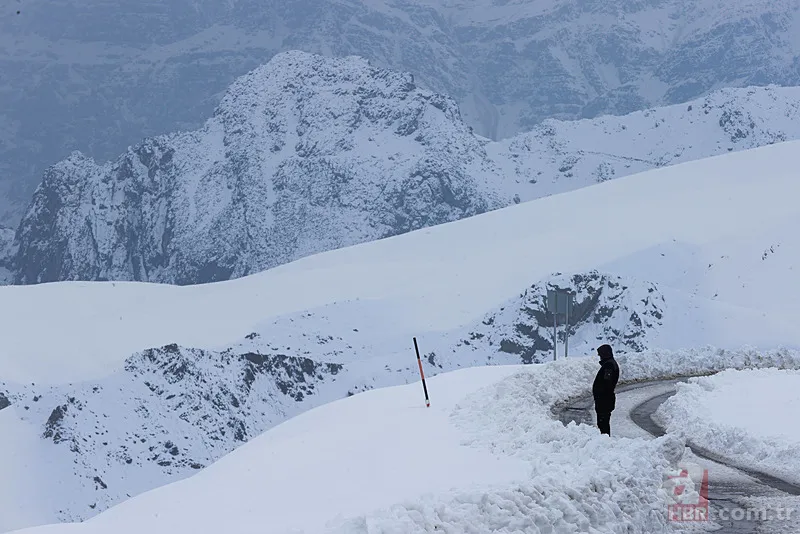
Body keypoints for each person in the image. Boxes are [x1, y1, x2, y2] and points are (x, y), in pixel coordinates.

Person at [592, 344, 620, 435]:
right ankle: (605, 440)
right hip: (604, 400)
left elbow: (606, 383)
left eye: (600, 355)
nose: (600, 357)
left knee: (603, 423)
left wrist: (600, 394)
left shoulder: (609, 366)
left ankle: (605, 441)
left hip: (604, 400)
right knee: (603, 422)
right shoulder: (610, 364)